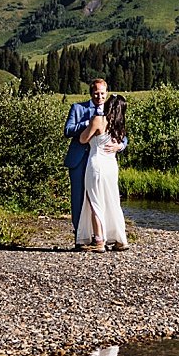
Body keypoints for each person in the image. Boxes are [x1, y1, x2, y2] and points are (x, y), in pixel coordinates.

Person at [75, 93, 128, 252]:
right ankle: (120, 239)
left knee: (94, 202)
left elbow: (83, 139)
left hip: (97, 163)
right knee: (112, 202)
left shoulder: (98, 120)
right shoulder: (119, 126)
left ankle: (99, 241)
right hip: (111, 165)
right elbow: (121, 143)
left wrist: (86, 126)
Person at [63, 79, 109, 244]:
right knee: (78, 199)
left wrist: (120, 146)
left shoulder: (110, 110)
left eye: (102, 93)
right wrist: (88, 123)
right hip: (79, 160)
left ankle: (100, 236)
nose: (99, 96)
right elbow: (67, 131)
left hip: (101, 161)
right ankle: (79, 237)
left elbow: (122, 134)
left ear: (106, 93)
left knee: (100, 198)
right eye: (96, 92)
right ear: (91, 93)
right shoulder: (77, 108)